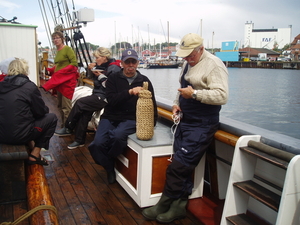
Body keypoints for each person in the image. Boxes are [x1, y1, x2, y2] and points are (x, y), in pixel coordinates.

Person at [142, 33, 229, 223]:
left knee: (178, 166)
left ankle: (165, 203)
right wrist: (176, 103)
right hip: (185, 120)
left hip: (202, 124)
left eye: (190, 56)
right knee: (184, 166)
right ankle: (178, 206)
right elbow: (182, 89)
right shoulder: (188, 62)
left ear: (201, 49)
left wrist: (195, 94)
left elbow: (222, 96)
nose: (187, 59)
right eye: (185, 56)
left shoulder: (214, 65)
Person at [88, 49, 158, 184]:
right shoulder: (113, 78)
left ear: (137, 63)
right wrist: (130, 92)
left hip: (131, 118)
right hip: (111, 115)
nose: (130, 65)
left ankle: (109, 159)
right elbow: (111, 100)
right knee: (96, 144)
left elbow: (152, 103)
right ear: (122, 63)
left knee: (118, 135)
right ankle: (109, 167)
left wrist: (152, 123)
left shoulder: (144, 81)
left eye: (133, 62)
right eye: (127, 62)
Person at [54, 47, 121, 149]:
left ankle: (68, 127)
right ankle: (79, 140)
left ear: (104, 57)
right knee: (84, 113)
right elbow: (91, 78)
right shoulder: (101, 66)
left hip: (105, 97)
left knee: (80, 103)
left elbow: (112, 86)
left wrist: (100, 76)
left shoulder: (114, 68)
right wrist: (90, 70)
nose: (95, 60)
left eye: (97, 57)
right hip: (97, 94)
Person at [0, 59, 58, 165]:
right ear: (24, 70)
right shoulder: (29, 87)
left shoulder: (1, 85)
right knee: (52, 118)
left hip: (2, 134)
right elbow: (40, 112)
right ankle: (34, 154)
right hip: (19, 136)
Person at [42, 31, 78, 127]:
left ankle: (68, 127)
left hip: (67, 82)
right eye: (54, 38)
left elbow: (74, 63)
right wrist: (50, 70)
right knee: (60, 105)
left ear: (62, 39)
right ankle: (63, 125)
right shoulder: (58, 51)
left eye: (58, 38)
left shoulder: (67, 49)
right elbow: (58, 65)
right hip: (60, 82)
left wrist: (60, 72)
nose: (56, 40)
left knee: (66, 106)